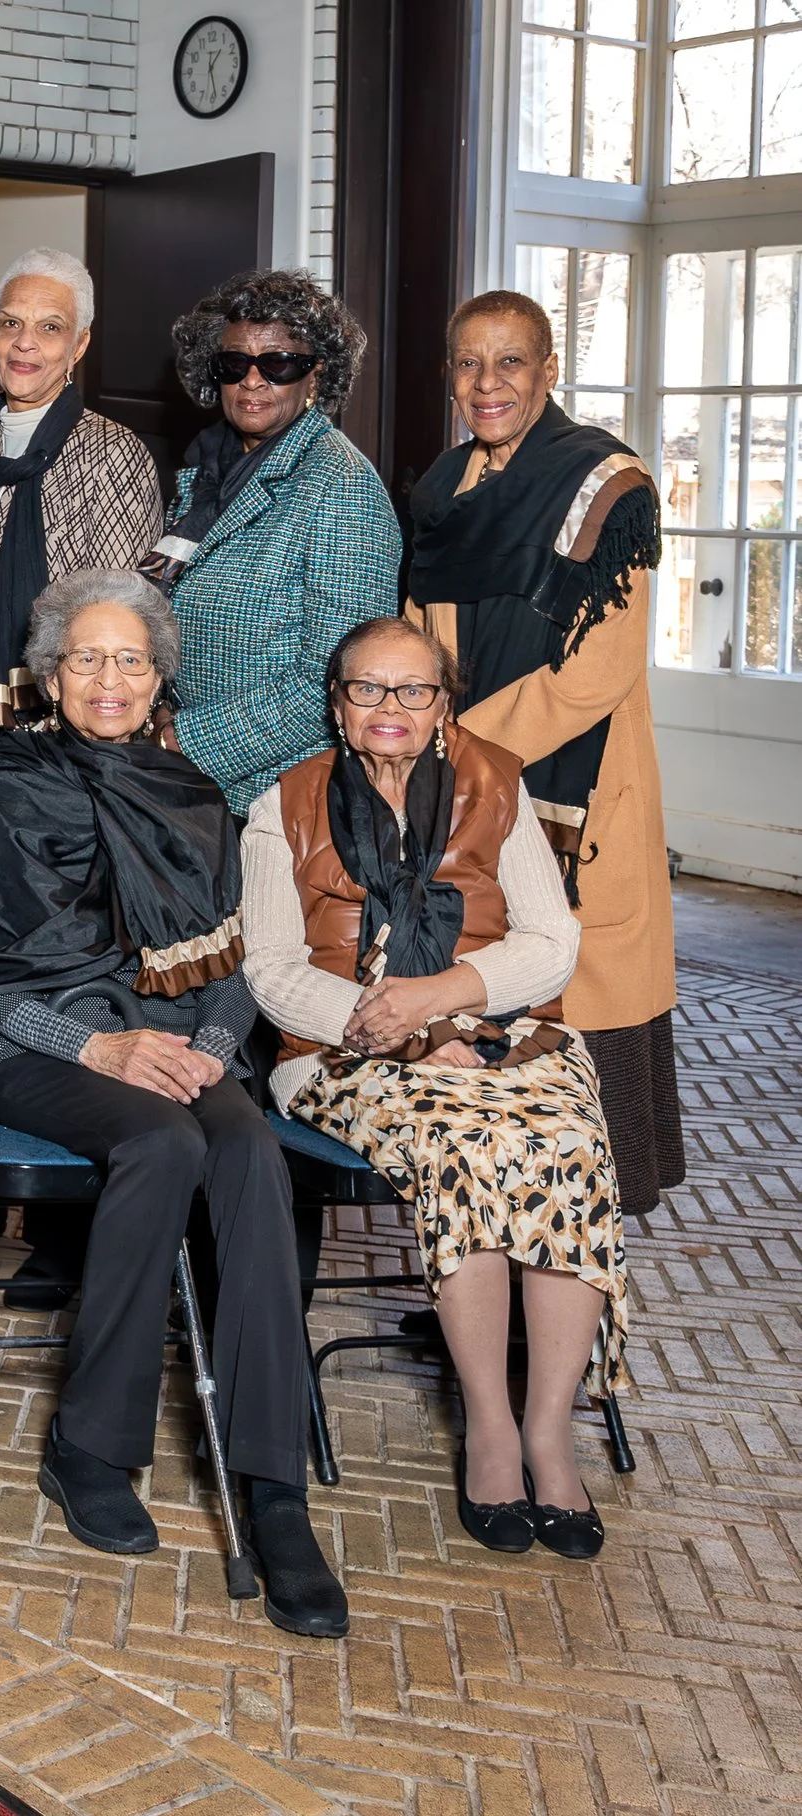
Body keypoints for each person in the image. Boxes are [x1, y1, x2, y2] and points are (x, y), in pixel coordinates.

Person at [0, 571, 346, 1639]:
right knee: (162, 1148)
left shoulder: (194, 793)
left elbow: (233, 960)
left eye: (130, 659)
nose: (109, 679)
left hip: (179, 1047)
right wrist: (100, 1043)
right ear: (49, 676)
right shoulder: (1, 785)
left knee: (249, 1149)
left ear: (159, 675)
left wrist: (211, 1051)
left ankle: (272, 1483)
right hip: (46, 1044)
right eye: (86, 658)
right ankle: (92, 1445)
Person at [240, 617, 620, 1560]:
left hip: (502, 1029)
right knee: (465, 1143)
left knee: (566, 1142)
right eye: (368, 689)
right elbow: (272, 969)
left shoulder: (498, 779)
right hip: (341, 1047)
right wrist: (400, 1031)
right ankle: (490, 1425)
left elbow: (550, 942)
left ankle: (550, 1427)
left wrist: (445, 1002)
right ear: (339, 703)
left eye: (414, 691)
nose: (391, 709)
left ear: (444, 703)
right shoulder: (281, 803)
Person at [406, 291, 681, 1218]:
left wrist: (464, 756)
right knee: (484, 1021)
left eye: (511, 362)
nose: (488, 384)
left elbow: (597, 671)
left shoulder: (608, 485)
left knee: (576, 1006)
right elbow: (422, 638)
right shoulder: (444, 488)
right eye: (469, 364)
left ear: (549, 369)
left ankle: (573, 1294)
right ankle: (492, 1260)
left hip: (571, 789)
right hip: (463, 779)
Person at [146, 269, 403, 812]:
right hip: (189, 783)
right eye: (234, 364)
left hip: (277, 798)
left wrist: (179, 743)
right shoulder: (206, 472)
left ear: (316, 377)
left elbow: (339, 685)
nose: (253, 381)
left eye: (279, 364)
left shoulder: (342, 486)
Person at [0, 248, 160, 731]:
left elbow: (117, 627)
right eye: (10, 324)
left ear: (79, 346)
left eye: (50, 327)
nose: (24, 344)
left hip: (55, 730)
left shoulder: (114, 455)